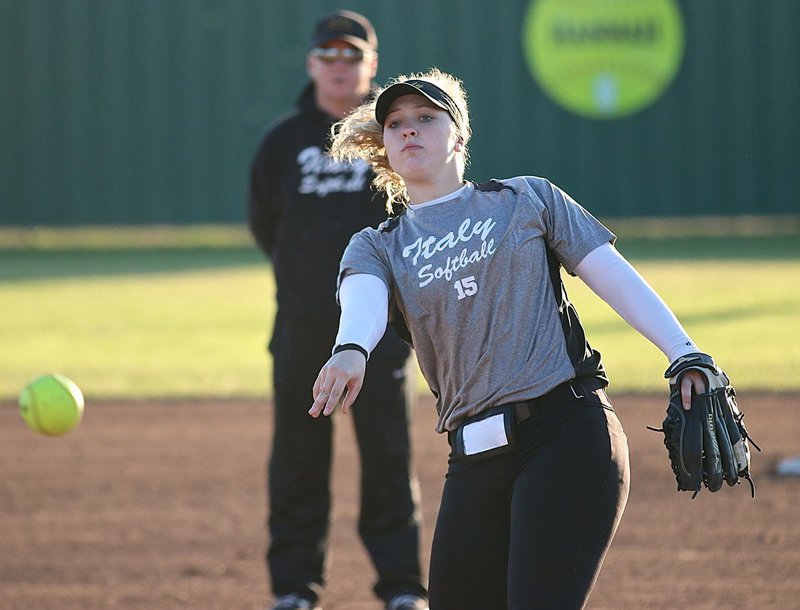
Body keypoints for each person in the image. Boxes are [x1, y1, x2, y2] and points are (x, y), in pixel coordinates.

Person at [309, 68, 711, 609]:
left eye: (426, 118)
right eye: (396, 123)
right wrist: (350, 349)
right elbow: (363, 302)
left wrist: (683, 350)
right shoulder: (378, 245)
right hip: (473, 457)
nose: (408, 131)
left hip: (565, 435)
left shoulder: (524, 200)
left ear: (458, 135)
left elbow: (611, 274)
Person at [247, 11, 429, 610]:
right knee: (298, 461)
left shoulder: (391, 135)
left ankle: (402, 588)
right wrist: (306, 279)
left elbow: (419, 213)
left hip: (382, 332)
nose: (339, 66)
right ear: (311, 64)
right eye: (328, 56)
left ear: (370, 65)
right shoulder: (283, 141)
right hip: (303, 328)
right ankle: (295, 589)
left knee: (388, 458)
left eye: (352, 56)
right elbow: (266, 223)